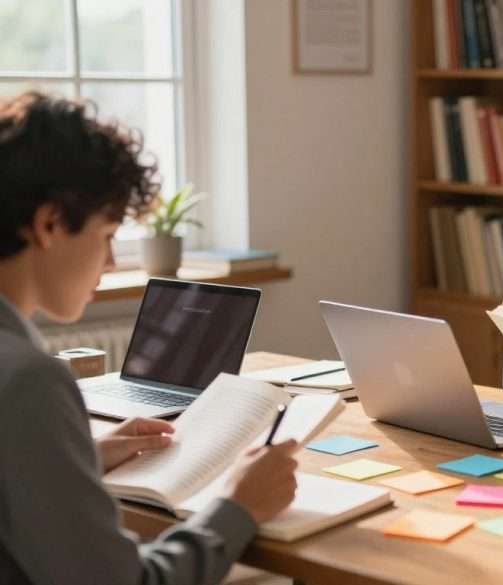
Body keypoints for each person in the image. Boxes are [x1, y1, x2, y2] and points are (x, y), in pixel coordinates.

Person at [0, 92, 299, 585]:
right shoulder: (30, 382)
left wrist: (81, 458)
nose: (112, 261)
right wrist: (238, 506)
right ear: (50, 223)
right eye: (109, 234)